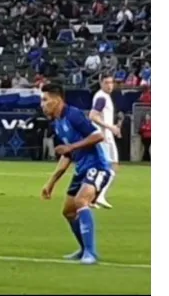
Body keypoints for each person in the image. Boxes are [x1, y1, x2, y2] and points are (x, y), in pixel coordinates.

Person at [40, 83, 109, 265]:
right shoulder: (58, 123)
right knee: (69, 212)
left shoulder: (73, 115)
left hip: (98, 166)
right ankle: (83, 249)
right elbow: (67, 155)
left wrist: (71, 146)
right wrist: (51, 182)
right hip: (81, 169)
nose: (42, 104)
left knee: (81, 201)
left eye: (45, 100)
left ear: (57, 100)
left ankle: (91, 254)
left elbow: (98, 136)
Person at [89, 74, 122, 209]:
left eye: (111, 82)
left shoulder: (104, 96)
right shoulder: (102, 97)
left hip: (106, 135)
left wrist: (112, 128)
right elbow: (92, 115)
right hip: (103, 137)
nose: (110, 85)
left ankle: (95, 196)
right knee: (109, 167)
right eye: (107, 82)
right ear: (101, 83)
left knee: (107, 166)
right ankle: (98, 195)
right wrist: (109, 127)